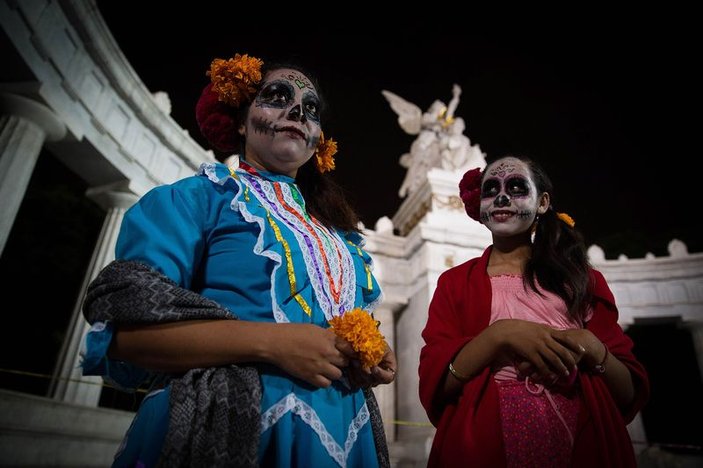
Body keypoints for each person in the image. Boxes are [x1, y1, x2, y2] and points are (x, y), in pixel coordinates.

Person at [81, 53, 396, 468]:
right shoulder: (198, 198)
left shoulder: (342, 239)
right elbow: (126, 336)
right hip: (227, 427)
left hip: (348, 438)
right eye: (277, 96)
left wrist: (367, 353)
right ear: (242, 121)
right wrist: (271, 343)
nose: (297, 110)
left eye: (310, 108)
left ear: (319, 140)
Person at [418, 156, 649, 467]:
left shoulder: (582, 280)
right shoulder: (455, 283)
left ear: (542, 203)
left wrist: (592, 347)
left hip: (581, 436)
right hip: (485, 442)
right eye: (491, 189)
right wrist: (500, 336)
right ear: (479, 205)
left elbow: (628, 392)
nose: (501, 197)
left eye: (516, 187)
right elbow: (436, 386)